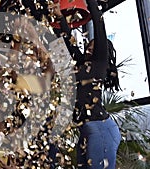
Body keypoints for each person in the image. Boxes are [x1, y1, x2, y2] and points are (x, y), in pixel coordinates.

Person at [50, 0, 121, 168]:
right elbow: (68, 39)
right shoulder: (82, 63)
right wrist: (59, 17)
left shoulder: (100, 62)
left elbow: (98, 23)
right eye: (88, 46)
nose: (89, 48)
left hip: (101, 129)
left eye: (92, 47)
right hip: (87, 129)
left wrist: (91, 3)